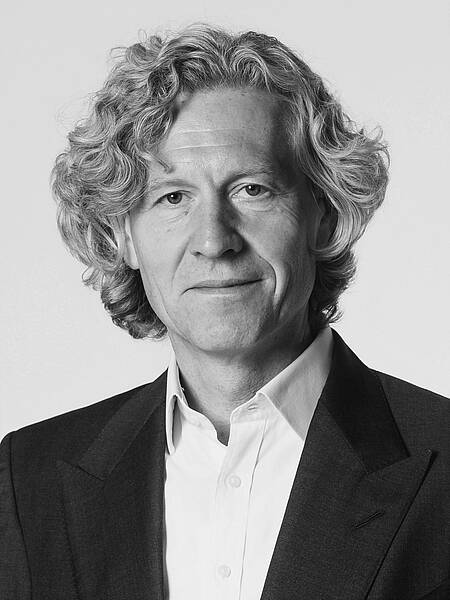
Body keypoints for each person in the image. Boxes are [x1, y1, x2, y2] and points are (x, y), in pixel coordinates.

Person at [0, 24, 448, 600]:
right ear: (124, 237)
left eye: (252, 190)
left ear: (326, 214)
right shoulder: (28, 480)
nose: (214, 241)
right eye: (172, 197)